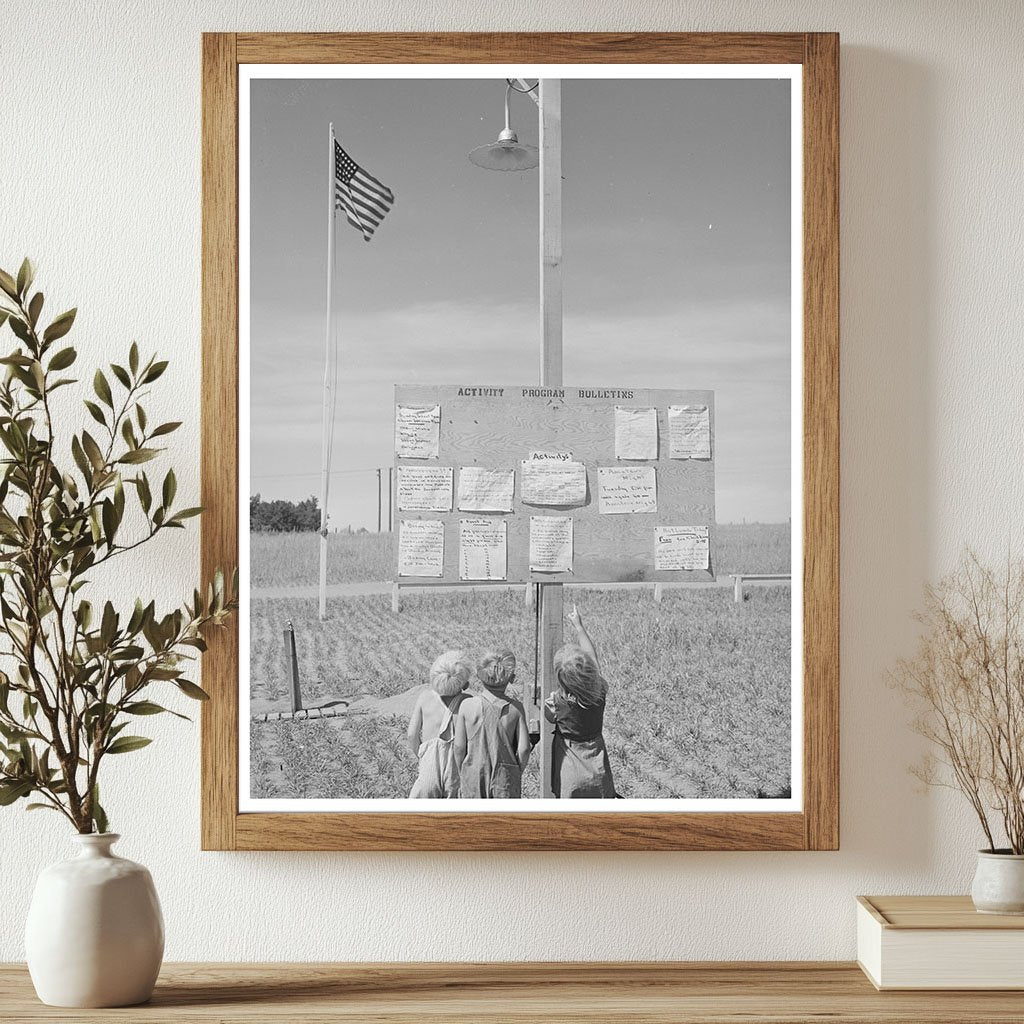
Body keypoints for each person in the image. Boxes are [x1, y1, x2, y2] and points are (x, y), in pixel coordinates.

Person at [545, 604, 616, 798]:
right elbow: (592, 657)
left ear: (561, 679)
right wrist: (578, 626)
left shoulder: (556, 702)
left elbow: (549, 717)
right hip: (597, 765)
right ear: (591, 674)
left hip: (570, 770)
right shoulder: (599, 691)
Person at [454, 649, 531, 799]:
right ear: (512, 678)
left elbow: (458, 748)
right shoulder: (516, 708)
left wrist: (462, 772)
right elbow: (524, 749)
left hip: (473, 774)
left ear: (478, 676)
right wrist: (517, 771)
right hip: (505, 778)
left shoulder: (467, 705)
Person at [407, 650, 471, 798]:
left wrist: (423, 756)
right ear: (466, 684)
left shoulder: (425, 698)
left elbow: (411, 735)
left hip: (429, 767)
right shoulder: (468, 702)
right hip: (456, 770)